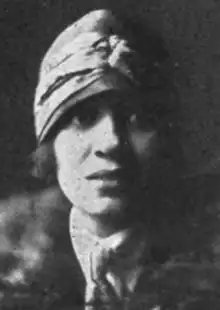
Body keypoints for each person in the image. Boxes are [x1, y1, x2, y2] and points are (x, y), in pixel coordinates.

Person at [32, 9, 180, 310]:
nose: (111, 142)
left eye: (137, 119)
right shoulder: (12, 267)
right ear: (50, 142)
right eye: (84, 118)